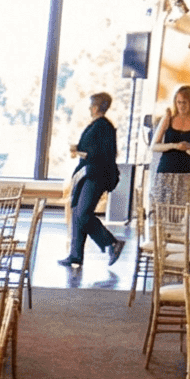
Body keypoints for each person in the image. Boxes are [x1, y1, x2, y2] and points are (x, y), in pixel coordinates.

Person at [58, 91, 123, 278]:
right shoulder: (100, 125)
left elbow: (98, 153)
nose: (89, 109)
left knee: (83, 212)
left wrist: (78, 151)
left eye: (90, 106)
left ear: (95, 107)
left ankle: (111, 243)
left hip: (96, 175)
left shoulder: (103, 126)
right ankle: (75, 254)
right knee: (78, 209)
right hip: (89, 174)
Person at [150, 84, 190, 210]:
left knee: (180, 209)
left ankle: (176, 230)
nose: (181, 106)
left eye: (184, 103)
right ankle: (159, 230)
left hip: (186, 170)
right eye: (178, 102)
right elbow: (154, 146)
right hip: (166, 168)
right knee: (160, 207)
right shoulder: (169, 118)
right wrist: (174, 145)